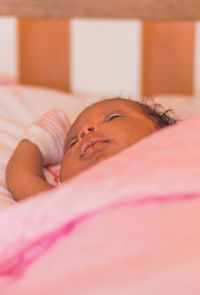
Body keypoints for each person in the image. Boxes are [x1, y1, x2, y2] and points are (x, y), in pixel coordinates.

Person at [6, 97, 178, 202]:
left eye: (113, 117)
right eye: (72, 143)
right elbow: (21, 177)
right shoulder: (70, 201)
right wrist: (38, 139)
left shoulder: (178, 160)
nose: (84, 132)